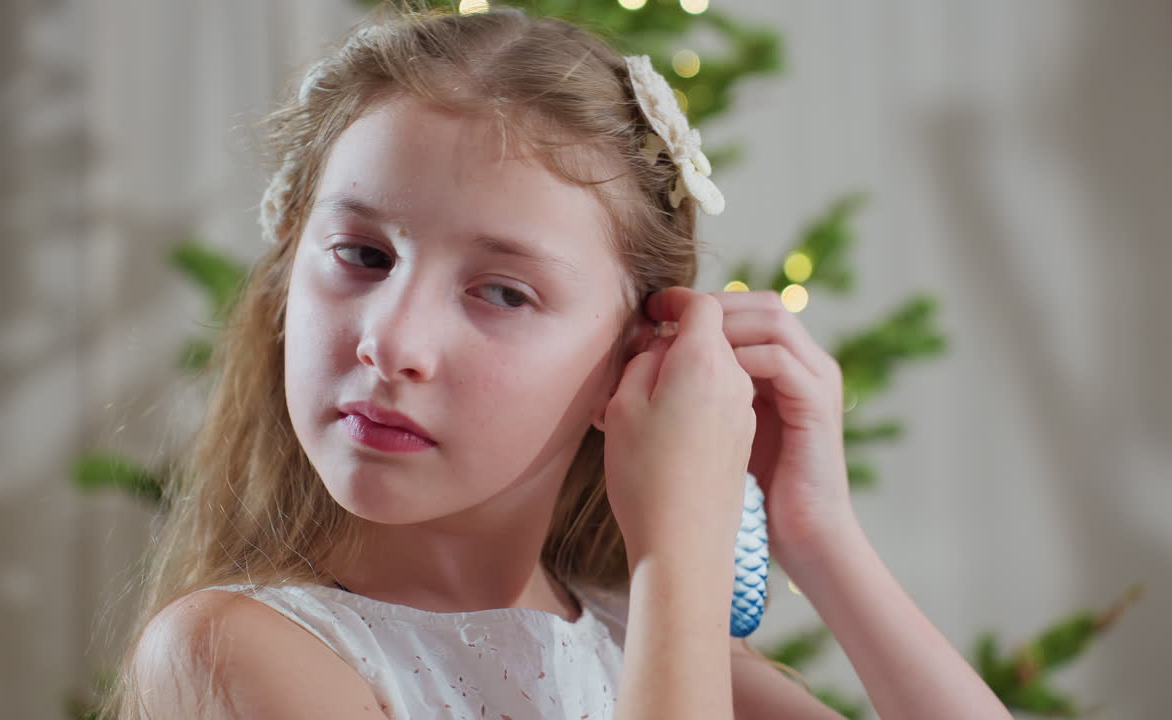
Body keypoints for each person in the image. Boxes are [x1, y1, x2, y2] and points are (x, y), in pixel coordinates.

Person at [104, 3, 1015, 719]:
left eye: (502, 291)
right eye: (363, 256)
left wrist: (817, 530)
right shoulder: (238, 653)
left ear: (635, 360)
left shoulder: (645, 639)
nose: (392, 342)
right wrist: (678, 559)